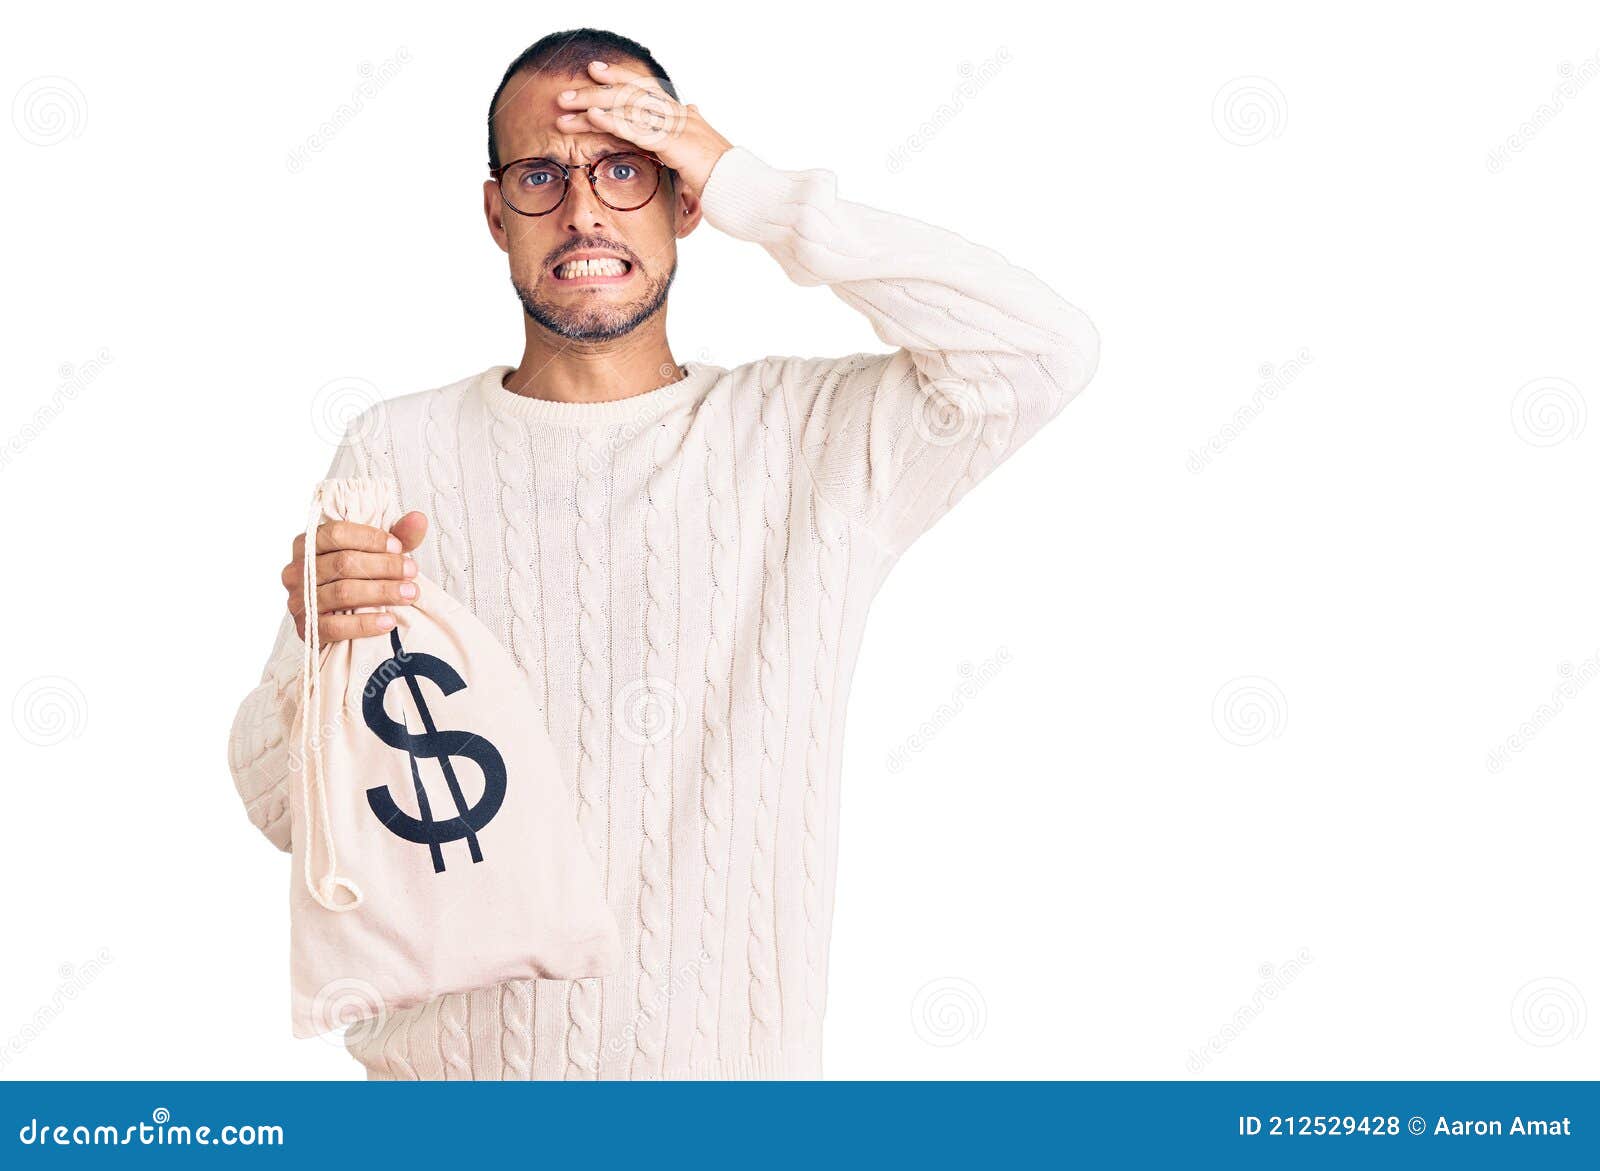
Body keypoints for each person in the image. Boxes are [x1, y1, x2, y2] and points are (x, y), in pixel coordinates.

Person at [227, 27, 1100, 1080]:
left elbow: (1043, 352)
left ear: (685, 203)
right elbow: (284, 808)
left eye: (628, 168)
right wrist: (318, 660)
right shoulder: (397, 451)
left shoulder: (808, 438)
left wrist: (758, 189)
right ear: (495, 214)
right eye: (543, 175)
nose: (586, 209)